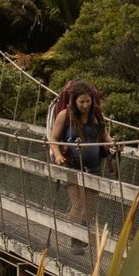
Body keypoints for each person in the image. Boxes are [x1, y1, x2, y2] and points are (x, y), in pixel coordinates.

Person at [47, 79, 114, 238]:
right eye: (81, 102)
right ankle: (75, 239)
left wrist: (114, 144)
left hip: (94, 167)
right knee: (78, 204)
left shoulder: (96, 114)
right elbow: (53, 139)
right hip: (72, 166)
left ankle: (82, 235)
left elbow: (104, 135)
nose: (85, 105)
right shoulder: (65, 115)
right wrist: (57, 155)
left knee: (90, 207)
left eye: (88, 101)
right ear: (74, 101)